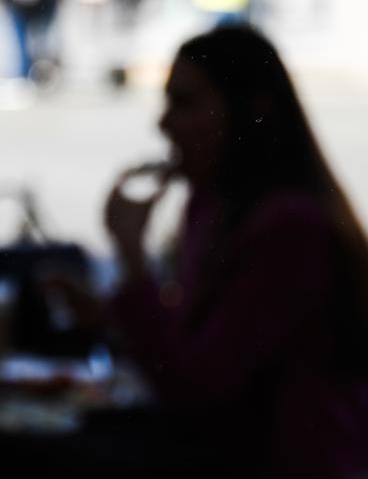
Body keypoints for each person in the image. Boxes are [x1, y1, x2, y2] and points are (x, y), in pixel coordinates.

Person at [91, 25, 368, 476]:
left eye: (184, 103)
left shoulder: (292, 231)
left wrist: (133, 262)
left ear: (250, 111)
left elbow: (196, 387)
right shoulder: (212, 203)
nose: (162, 124)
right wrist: (107, 314)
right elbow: (197, 332)